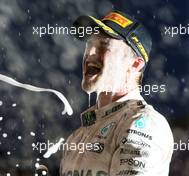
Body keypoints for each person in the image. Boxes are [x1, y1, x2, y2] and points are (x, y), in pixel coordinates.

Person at [60, 11, 174, 176]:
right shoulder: (77, 136)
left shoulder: (144, 124)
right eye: (89, 44)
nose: (89, 53)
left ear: (135, 64)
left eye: (104, 45)